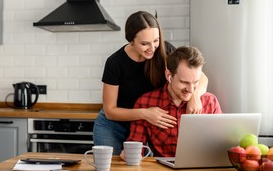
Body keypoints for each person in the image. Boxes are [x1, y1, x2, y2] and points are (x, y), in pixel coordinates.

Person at [93, 11, 209, 155]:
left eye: (156, 40)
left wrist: (195, 96)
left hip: (146, 123)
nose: (152, 48)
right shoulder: (115, 63)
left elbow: (201, 77)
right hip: (113, 126)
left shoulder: (164, 50)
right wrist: (145, 113)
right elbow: (110, 111)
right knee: (112, 170)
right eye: (144, 44)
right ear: (131, 40)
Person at [121, 46, 222, 159]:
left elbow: (219, 146)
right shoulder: (146, 103)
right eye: (184, 82)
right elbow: (136, 146)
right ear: (169, 76)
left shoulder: (210, 102)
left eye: (196, 82)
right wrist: (129, 154)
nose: (191, 89)